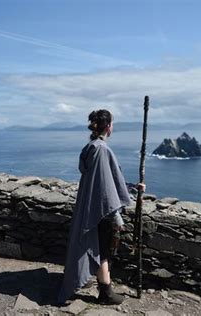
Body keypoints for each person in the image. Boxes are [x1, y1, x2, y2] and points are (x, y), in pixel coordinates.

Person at [57, 109, 146, 305]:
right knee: (103, 250)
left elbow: (107, 180)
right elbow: (105, 187)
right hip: (102, 210)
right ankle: (105, 292)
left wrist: (131, 187)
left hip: (90, 207)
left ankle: (104, 287)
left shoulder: (90, 147)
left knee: (99, 247)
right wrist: (116, 216)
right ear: (108, 127)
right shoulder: (103, 150)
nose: (113, 127)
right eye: (112, 124)